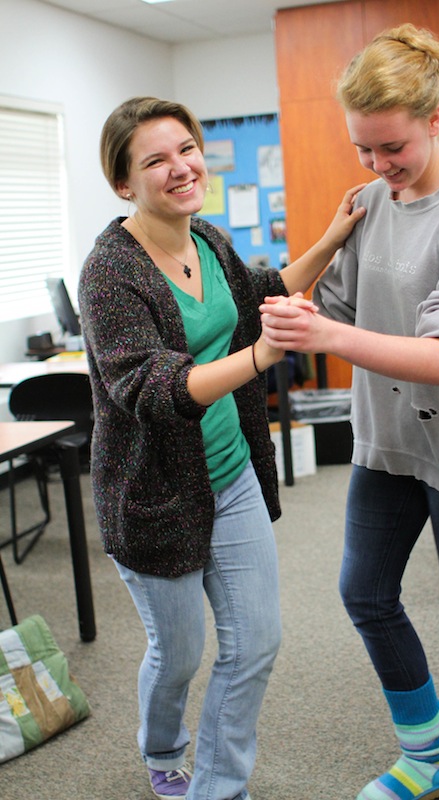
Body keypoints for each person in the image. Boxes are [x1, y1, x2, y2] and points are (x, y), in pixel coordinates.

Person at [260, 23, 439, 800]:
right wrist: (306, 303)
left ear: (435, 121)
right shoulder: (374, 201)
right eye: (364, 151)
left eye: (393, 149)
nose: (380, 168)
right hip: (385, 441)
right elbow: (345, 303)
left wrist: (328, 332)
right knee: (364, 595)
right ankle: (427, 757)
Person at [77, 96, 365, 800]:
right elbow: (152, 388)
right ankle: (162, 746)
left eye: (186, 149)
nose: (180, 168)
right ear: (123, 183)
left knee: (254, 644)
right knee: (177, 655)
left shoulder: (205, 239)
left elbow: (261, 290)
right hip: (153, 493)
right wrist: (262, 356)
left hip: (228, 476)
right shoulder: (109, 273)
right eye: (155, 160)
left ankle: (218, 787)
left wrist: (333, 234)